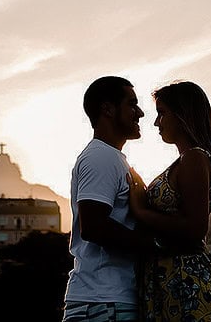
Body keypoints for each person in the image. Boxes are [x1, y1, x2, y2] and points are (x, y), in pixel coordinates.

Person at [127, 81, 211, 322]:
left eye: (162, 113)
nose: (156, 123)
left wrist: (140, 210)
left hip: (186, 285)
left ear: (182, 115)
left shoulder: (194, 158)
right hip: (173, 281)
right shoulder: (192, 160)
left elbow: (196, 228)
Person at [63, 75, 153, 322]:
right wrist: (155, 246)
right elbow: (94, 227)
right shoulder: (101, 157)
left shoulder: (111, 157)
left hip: (105, 301)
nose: (141, 113)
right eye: (132, 104)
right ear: (108, 109)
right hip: (103, 302)